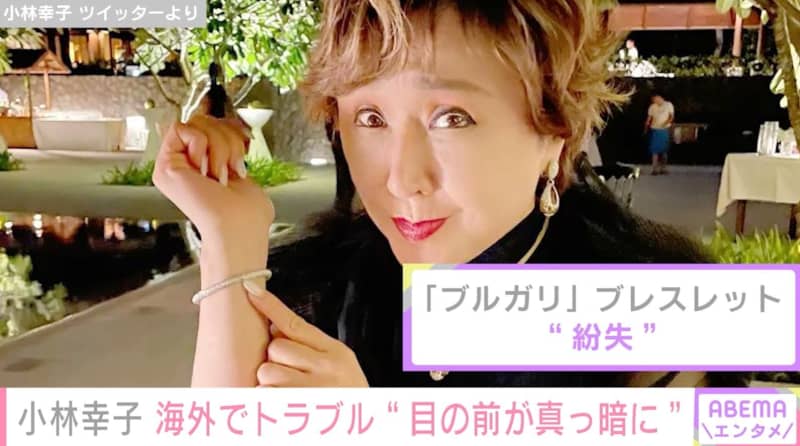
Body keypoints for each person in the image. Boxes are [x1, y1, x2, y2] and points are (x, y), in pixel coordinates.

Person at [153, 0, 751, 389]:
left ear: (554, 133)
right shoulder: (321, 289)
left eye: (452, 118)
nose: (402, 179)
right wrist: (232, 240)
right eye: (369, 118)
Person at [645, 94, 674, 175]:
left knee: (664, 150)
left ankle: (663, 168)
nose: (655, 101)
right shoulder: (652, 106)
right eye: (653, 100)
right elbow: (649, 117)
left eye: (656, 99)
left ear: (660, 97)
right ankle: (654, 169)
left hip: (664, 130)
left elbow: (671, 117)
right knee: (654, 150)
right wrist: (646, 125)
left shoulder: (668, 105)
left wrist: (665, 123)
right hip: (655, 129)